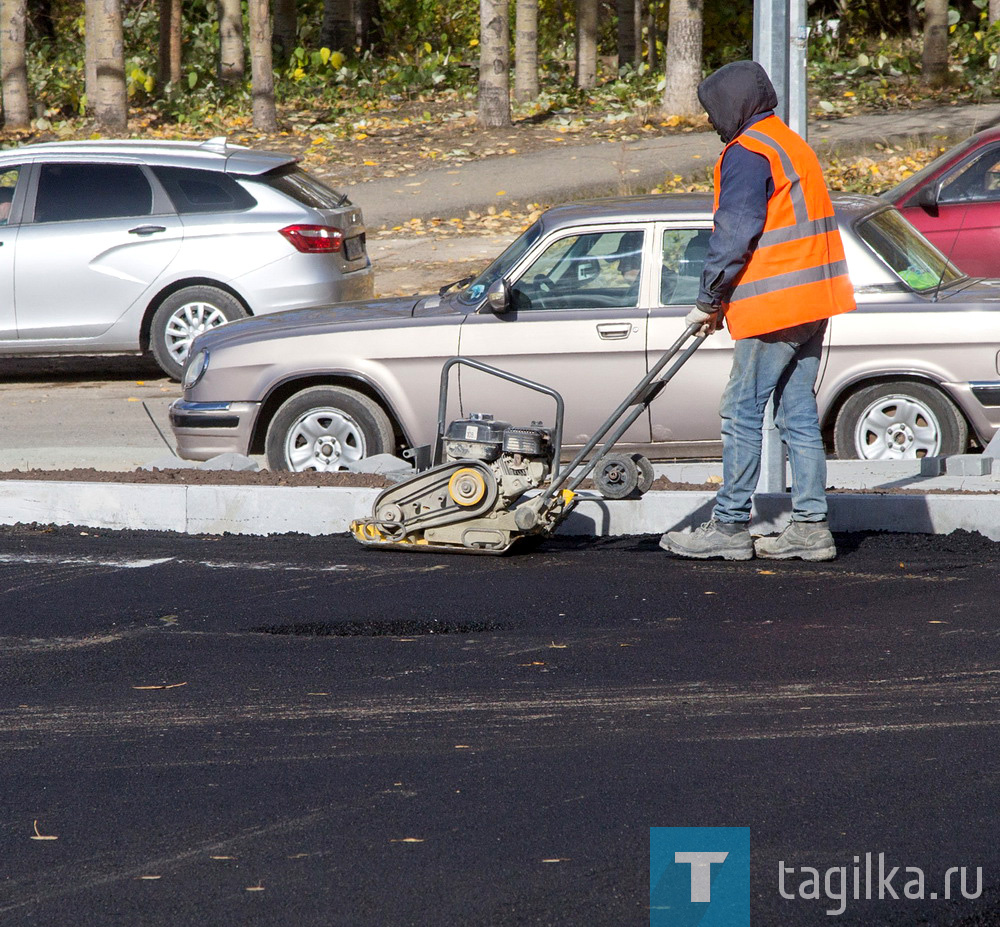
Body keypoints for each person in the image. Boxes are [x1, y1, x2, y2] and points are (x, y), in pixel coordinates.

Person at [659, 60, 857, 562]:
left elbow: (735, 232)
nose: (711, 121)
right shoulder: (790, 143)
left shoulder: (748, 153)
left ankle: (728, 526)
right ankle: (811, 527)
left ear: (734, 104)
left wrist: (708, 299)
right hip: (814, 300)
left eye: (713, 111)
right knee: (797, 415)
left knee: (741, 411)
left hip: (774, 306)